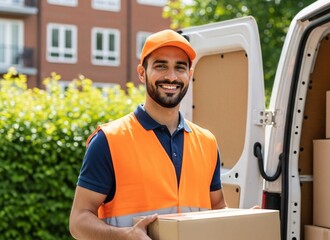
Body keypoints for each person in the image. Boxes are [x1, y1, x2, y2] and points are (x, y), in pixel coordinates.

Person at [69, 29, 227, 240]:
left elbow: (218, 207)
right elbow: (78, 221)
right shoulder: (109, 140)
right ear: (142, 73)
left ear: (189, 75)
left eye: (180, 68)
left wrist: (246, 221)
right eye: (161, 66)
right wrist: (124, 236)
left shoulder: (207, 142)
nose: (171, 76)